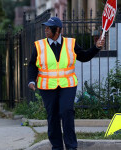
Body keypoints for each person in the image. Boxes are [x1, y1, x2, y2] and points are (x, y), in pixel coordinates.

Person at [28, 17, 105, 150]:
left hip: (67, 85)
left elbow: (84, 56)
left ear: (57, 30)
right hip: (47, 86)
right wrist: (31, 80)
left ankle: (71, 146)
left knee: (66, 112)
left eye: (48, 28)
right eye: (45, 27)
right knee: (52, 116)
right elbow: (32, 65)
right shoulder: (39, 45)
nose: (45, 30)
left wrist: (96, 47)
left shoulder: (71, 43)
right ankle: (57, 147)